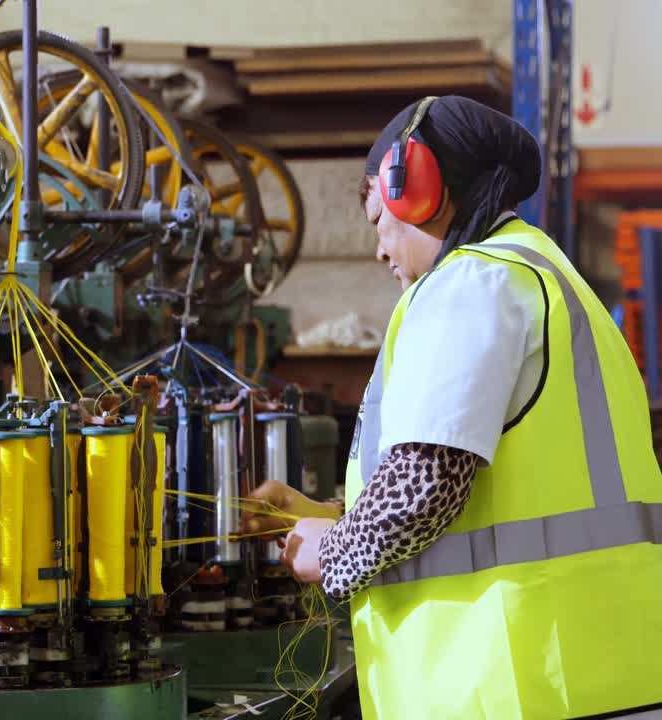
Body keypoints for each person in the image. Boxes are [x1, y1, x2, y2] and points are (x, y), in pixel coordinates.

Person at [242, 95, 662, 719]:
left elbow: (424, 488)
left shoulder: (471, 282)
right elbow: (503, 490)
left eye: (380, 221)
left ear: (417, 191)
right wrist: (331, 514)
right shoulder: (547, 275)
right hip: (596, 672)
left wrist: (330, 552)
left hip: (511, 683)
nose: (380, 251)